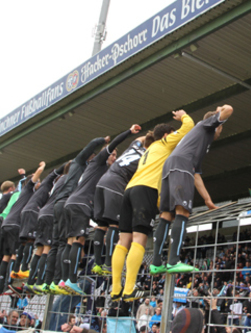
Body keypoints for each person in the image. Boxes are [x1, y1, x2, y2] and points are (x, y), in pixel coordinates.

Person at [112, 111, 193, 302]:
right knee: (138, 240)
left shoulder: (147, 151)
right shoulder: (164, 143)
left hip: (129, 191)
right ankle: (129, 289)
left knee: (123, 241)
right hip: (144, 190)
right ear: (166, 135)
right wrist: (183, 116)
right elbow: (188, 128)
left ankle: (116, 289)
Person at [150, 105, 233, 275]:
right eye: (221, 128)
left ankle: (156, 263)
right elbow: (229, 109)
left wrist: (207, 199)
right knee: (182, 212)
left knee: (166, 215)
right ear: (217, 124)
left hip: (170, 167)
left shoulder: (198, 141)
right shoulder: (206, 126)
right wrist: (219, 110)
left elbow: (195, 175)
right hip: (181, 166)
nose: (220, 131)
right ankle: (173, 261)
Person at [63, 124, 141, 295]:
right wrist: (128, 132)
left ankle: (93, 266)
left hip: (80, 202)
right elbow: (111, 145)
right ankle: (73, 279)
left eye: (115, 155)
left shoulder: (107, 170)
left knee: (99, 226)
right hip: (82, 202)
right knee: (84, 238)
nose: (114, 157)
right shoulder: (98, 162)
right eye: (112, 154)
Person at [50, 135, 110, 294]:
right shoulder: (79, 163)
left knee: (66, 242)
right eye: (92, 155)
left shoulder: (85, 170)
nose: (93, 156)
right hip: (71, 203)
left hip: (63, 204)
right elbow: (89, 147)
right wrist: (102, 140)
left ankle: (61, 281)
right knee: (72, 241)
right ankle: (69, 280)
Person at [91, 130, 148, 276]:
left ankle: (97, 263)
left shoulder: (134, 146)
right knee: (114, 224)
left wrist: (147, 136)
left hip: (102, 183)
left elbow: (140, 138)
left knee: (101, 225)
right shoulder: (147, 156)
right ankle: (108, 264)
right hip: (116, 185)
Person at [0, 162, 46, 295]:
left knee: (7, 255)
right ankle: (11, 280)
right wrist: (42, 167)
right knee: (16, 251)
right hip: (15, 224)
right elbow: (35, 177)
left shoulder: (20, 193)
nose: (39, 184)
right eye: (38, 182)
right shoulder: (28, 189)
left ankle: (3, 287)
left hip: (6, 224)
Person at [16, 162, 68, 292]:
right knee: (47, 248)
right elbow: (48, 175)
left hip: (39, 214)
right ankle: (40, 280)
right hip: (38, 213)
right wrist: (44, 166)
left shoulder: (48, 189)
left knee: (39, 247)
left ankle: (30, 280)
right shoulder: (46, 185)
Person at [30, 162, 70, 294]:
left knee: (41, 248)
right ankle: (45, 282)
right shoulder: (70, 179)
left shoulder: (58, 181)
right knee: (52, 247)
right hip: (51, 214)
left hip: (44, 212)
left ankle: (34, 282)